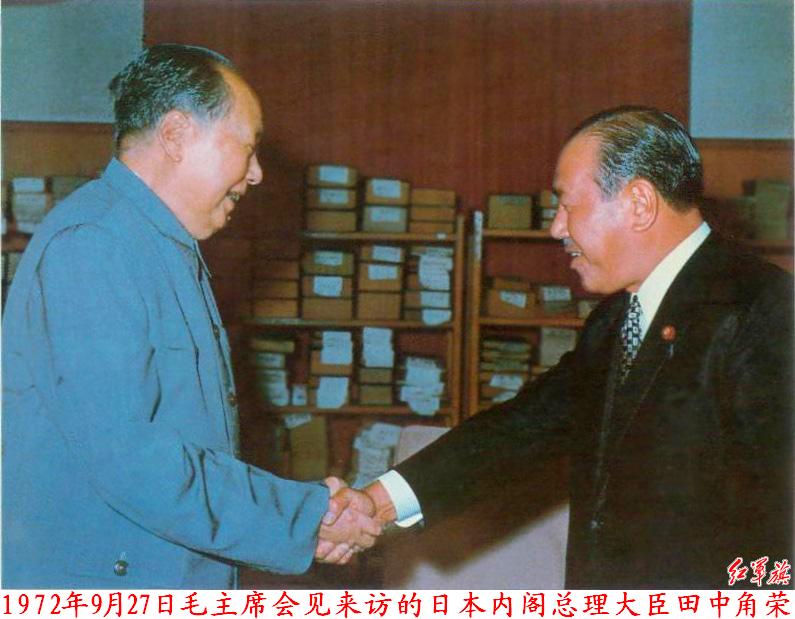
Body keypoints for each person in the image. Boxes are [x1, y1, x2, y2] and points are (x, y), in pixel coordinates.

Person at [333, 107, 794, 588]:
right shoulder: (615, 319)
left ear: (639, 203)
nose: (556, 228)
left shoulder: (766, 311)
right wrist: (377, 503)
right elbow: (522, 428)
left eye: (568, 205)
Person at [1, 44, 379, 589]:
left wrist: (302, 519)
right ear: (176, 135)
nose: (256, 174)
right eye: (247, 148)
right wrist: (302, 518)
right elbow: (132, 459)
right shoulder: (94, 246)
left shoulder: (156, 244)